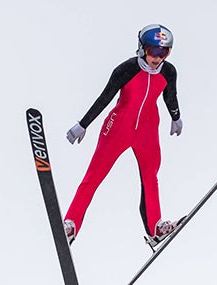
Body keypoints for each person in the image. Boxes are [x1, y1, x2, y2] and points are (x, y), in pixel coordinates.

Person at [63, 24, 182, 249]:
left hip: (147, 129)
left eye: (164, 52)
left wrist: (176, 117)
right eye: (153, 51)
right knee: (94, 177)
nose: (158, 58)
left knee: (151, 178)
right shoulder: (126, 69)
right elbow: (105, 97)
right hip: (118, 128)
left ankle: (155, 228)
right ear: (141, 49)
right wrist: (83, 124)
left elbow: (170, 96)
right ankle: (71, 225)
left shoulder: (168, 72)